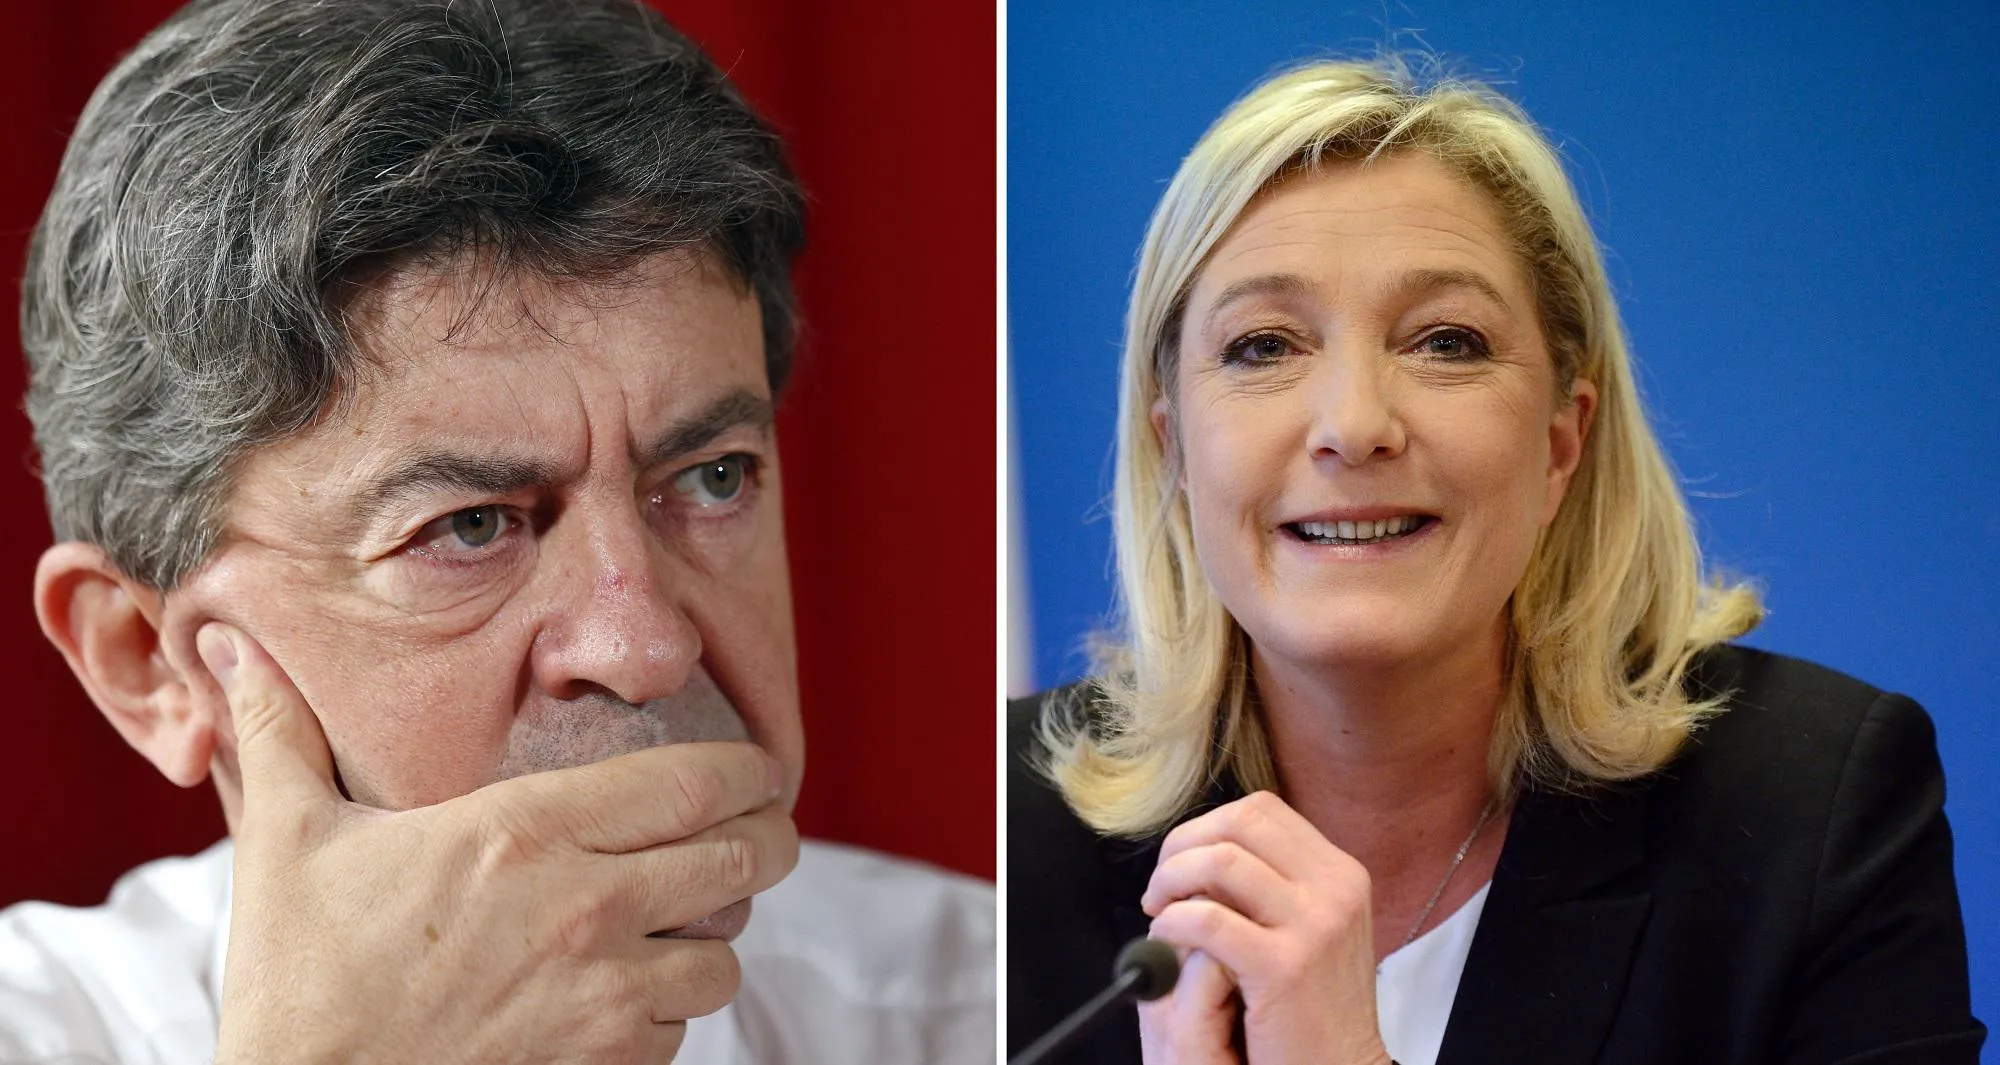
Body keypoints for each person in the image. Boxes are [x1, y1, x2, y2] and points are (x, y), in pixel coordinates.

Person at [0, 0, 993, 1061]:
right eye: (470, 527)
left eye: (711, 478)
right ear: (146, 662)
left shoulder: (987, 1010)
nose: (648, 649)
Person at [1007, 58, 1983, 1065]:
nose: (1352, 424)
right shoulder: (1005, 840)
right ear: (1172, 447)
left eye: (1443, 341)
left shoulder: (1807, 815)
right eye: (1261, 346)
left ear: (1560, 442)